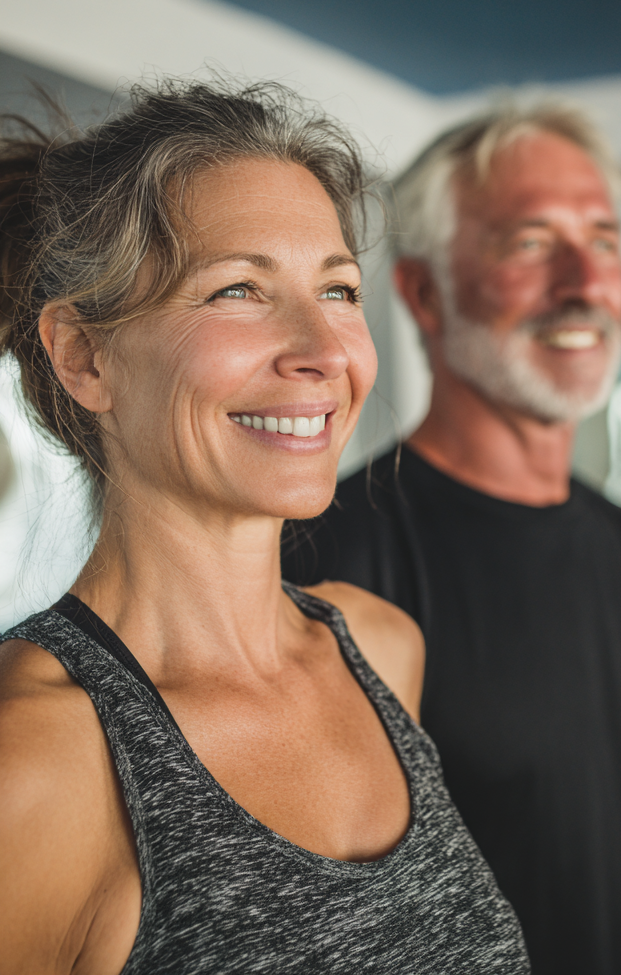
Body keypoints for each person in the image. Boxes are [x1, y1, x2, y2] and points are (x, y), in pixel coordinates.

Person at [0, 81, 529, 974]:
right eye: (239, 289)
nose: (323, 350)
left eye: (338, 288)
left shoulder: (380, 646)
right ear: (85, 357)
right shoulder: (36, 755)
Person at [283, 105, 621, 975]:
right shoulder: (331, 559)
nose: (585, 281)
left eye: (605, 241)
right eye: (531, 243)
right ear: (425, 294)